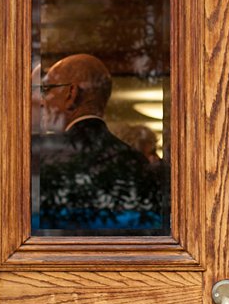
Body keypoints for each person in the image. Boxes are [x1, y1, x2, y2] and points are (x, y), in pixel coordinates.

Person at [33, 53, 167, 233]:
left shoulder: (44, 159)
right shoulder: (137, 163)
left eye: (47, 89)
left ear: (71, 94)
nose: (42, 100)